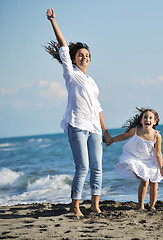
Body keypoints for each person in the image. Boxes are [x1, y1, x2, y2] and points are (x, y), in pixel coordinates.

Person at [45, 8, 111, 217]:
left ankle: (94, 205)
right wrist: (53, 21)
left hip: (94, 128)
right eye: (80, 55)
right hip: (77, 125)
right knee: (82, 167)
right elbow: (63, 46)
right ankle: (75, 206)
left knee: (97, 168)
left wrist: (105, 131)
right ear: (74, 59)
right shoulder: (70, 74)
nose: (84, 58)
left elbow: (97, 106)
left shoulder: (92, 81)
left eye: (87, 56)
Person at [109, 108, 163, 210]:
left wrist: (161, 167)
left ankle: (152, 205)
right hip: (136, 159)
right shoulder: (136, 131)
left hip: (150, 160)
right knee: (144, 180)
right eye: (145, 117)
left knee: (154, 182)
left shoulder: (157, 135)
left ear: (155, 122)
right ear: (141, 120)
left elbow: (158, 153)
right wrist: (112, 140)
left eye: (150, 118)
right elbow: (124, 136)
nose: (147, 119)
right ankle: (141, 205)